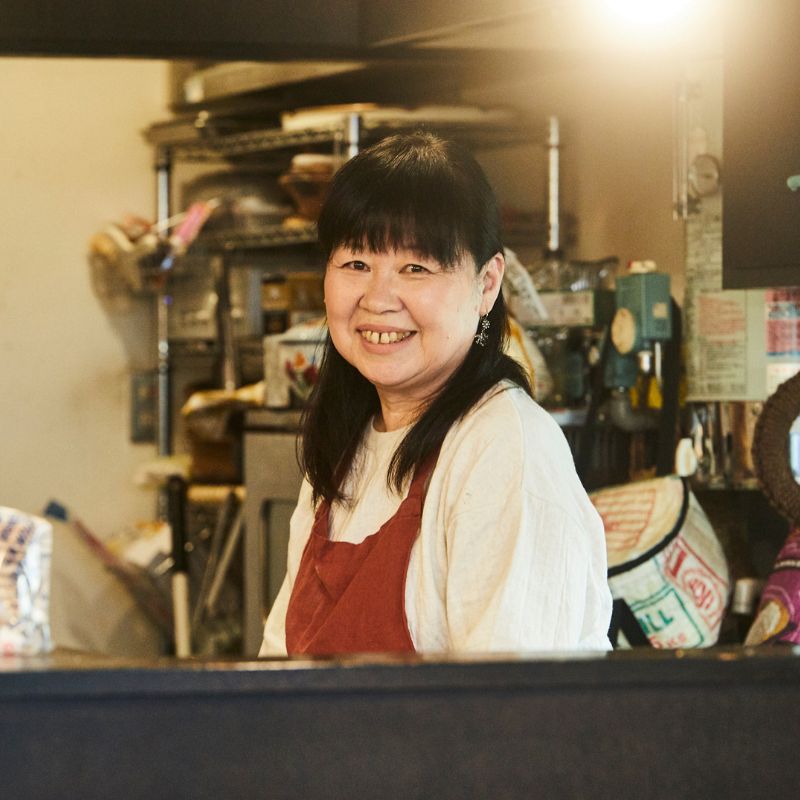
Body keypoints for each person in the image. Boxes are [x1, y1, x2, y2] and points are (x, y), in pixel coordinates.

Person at [260, 132, 612, 656]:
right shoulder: (343, 445)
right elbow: (276, 670)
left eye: (416, 268)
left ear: (488, 282)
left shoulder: (504, 449)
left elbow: (513, 710)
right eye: (356, 264)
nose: (378, 299)